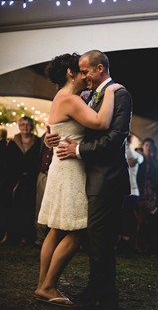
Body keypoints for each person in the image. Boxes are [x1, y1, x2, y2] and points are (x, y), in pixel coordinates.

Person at [37, 50, 132, 310]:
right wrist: (110, 91)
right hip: (70, 168)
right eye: (81, 70)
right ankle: (47, 286)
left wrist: (51, 137)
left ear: (98, 68)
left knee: (58, 229)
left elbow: (57, 126)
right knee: (77, 231)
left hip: (75, 167)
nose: (85, 75)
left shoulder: (70, 97)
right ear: (72, 73)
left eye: (87, 69)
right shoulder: (74, 98)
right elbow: (101, 123)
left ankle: (44, 284)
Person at [0, 116, 41, 246]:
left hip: (30, 180)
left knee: (28, 208)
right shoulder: (12, 142)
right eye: (23, 124)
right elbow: (7, 162)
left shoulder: (38, 142)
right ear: (19, 126)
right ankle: (10, 235)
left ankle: (26, 236)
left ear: (32, 126)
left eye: (28, 124)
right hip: (13, 180)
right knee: (12, 208)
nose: (25, 127)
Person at [136, 137, 158, 254]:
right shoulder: (139, 160)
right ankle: (137, 244)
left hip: (151, 192)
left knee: (150, 220)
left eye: (150, 145)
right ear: (143, 146)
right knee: (139, 219)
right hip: (140, 191)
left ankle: (148, 245)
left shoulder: (155, 163)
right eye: (146, 145)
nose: (148, 147)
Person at [118, 134, 144, 254]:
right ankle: (125, 243)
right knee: (125, 217)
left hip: (131, 190)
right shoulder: (127, 152)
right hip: (125, 189)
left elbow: (137, 158)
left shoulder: (133, 153)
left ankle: (128, 244)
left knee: (128, 218)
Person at [34, 132, 53, 249]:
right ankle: (39, 238)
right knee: (40, 206)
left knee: (54, 207)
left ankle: (52, 238)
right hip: (43, 174)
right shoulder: (43, 136)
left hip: (56, 175)